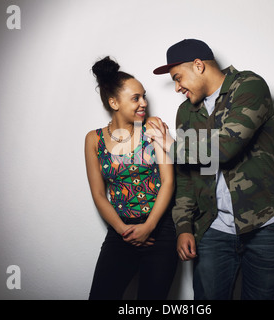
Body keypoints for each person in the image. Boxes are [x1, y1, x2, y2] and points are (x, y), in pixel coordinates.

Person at [149, 39, 274, 300]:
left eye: (178, 78)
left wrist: (170, 145)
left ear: (199, 65)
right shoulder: (187, 112)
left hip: (264, 225)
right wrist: (184, 227)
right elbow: (186, 175)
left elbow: (225, 148)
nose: (177, 88)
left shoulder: (249, 86)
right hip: (213, 228)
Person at [85, 56, 177, 300]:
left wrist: (148, 227)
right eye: (135, 98)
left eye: (144, 96)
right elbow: (98, 194)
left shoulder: (153, 129)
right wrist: (123, 230)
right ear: (114, 102)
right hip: (120, 231)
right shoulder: (93, 139)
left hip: (160, 230)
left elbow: (168, 181)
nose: (144, 103)